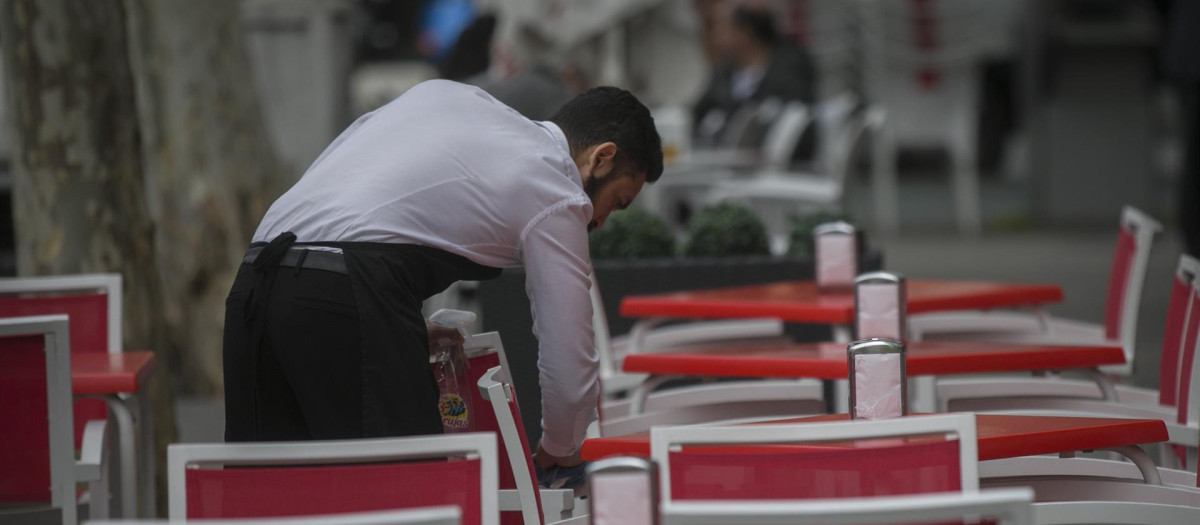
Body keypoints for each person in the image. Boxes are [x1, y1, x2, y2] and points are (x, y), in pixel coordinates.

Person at [222, 80, 663, 474]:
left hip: (256, 281)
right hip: (348, 288)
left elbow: (352, 212)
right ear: (601, 158)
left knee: (270, 495)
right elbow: (568, 346)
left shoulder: (451, 98)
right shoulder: (555, 185)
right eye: (617, 202)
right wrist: (562, 447)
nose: (600, 221)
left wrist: (396, 325)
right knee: (408, 495)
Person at [692, 2, 816, 149]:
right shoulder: (724, 73)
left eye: (720, 26)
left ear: (745, 31)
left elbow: (796, 122)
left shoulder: (790, 68)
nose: (715, 35)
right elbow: (696, 115)